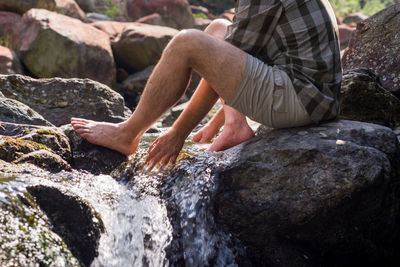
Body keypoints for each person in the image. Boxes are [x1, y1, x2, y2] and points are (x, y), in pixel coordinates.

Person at [71, 0, 342, 171]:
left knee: (187, 43)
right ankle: (235, 125)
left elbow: (224, 61)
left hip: (300, 100)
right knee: (217, 28)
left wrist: (178, 132)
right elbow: (241, 55)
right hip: (309, 95)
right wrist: (214, 124)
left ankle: (127, 134)